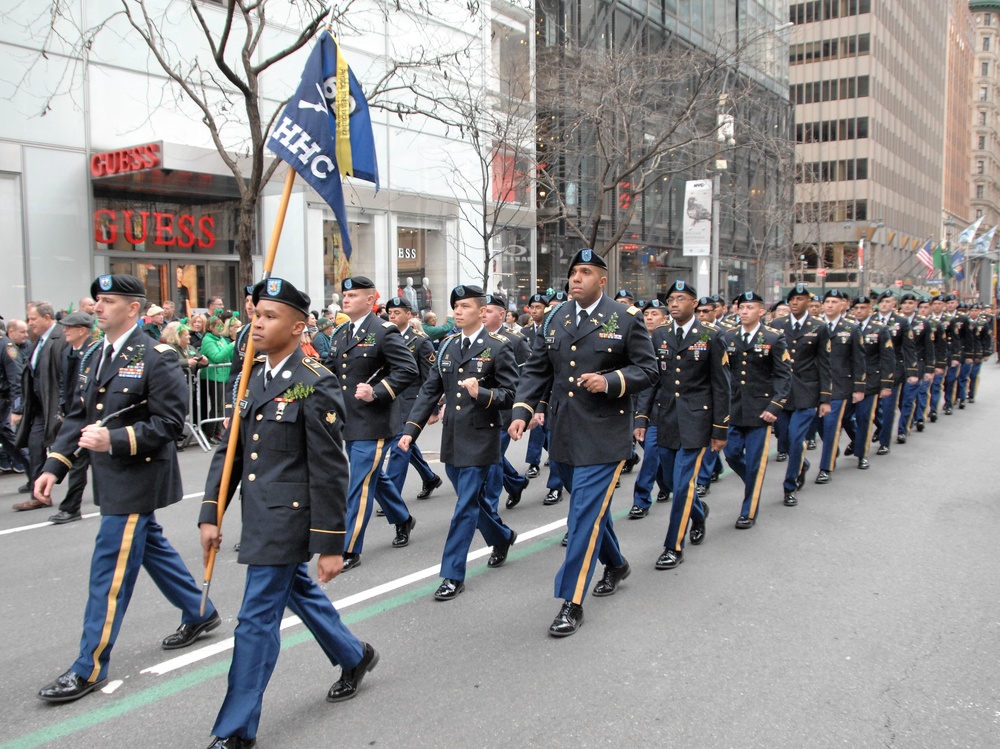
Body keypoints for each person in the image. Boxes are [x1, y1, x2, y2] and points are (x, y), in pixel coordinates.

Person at [199, 278, 377, 749]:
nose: (257, 322)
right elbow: (230, 451)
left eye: (270, 316)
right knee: (293, 590)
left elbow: (329, 468)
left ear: (299, 328)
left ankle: (235, 729)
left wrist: (330, 543)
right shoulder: (249, 376)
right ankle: (354, 654)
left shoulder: (313, 384)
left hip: (288, 519)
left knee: (256, 618)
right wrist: (210, 511)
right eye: (255, 314)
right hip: (257, 517)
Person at [34, 274, 220, 705]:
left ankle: (88, 666)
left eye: (108, 301)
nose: (97, 308)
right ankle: (199, 610)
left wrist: (115, 440)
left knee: (109, 573)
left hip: (137, 476)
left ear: (134, 308)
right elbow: (79, 416)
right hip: (112, 476)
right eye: (97, 301)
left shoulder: (158, 357)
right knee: (150, 546)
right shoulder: (97, 353)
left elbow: (171, 425)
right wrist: (54, 466)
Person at [509, 248, 657, 636]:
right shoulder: (556, 317)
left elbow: (648, 369)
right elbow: (538, 369)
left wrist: (611, 381)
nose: (576, 278)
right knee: (593, 512)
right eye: (573, 272)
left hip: (606, 436)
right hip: (565, 433)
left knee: (581, 518)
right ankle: (617, 563)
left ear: (602, 280)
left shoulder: (625, 318)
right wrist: (522, 412)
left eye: (585, 272)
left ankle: (571, 601)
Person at [400, 285, 519, 600]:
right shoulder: (447, 346)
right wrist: (411, 429)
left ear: (482, 312)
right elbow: (430, 389)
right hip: (452, 438)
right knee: (472, 502)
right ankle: (502, 536)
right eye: (455, 306)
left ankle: (452, 573)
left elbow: (510, 394)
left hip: (481, 436)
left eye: (465, 306)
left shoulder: (498, 347)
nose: (457, 311)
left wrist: (481, 394)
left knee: (465, 504)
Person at [322, 276, 418, 571]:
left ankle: (349, 548)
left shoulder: (383, 331)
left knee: (359, 484)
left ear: (370, 299)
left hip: (374, 422)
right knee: (375, 480)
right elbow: (331, 370)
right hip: (349, 420)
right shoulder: (340, 334)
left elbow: (407, 369)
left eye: (353, 295)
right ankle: (403, 518)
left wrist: (376, 392)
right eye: (344, 295)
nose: (346, 299)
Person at [636, 280, 729, 571]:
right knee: (674, 481)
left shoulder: (711, 336)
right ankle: (698, 513)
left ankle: (673, 546)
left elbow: (722, 386)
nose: (673, 304)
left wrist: (720, 429)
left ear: (694, 303)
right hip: (666, 419)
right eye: (670, 300)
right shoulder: (660, 335)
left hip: (697, 422)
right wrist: (642, 418)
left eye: (680, 299)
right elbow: (652, 379)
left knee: (683, 481)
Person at [721, 291, 791, 528]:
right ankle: (752, 480)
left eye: (749, 307)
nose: (744, 311)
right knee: (731, 454)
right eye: (741, 307)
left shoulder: (773, 337)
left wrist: (775, 405)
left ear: (761, 311)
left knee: (754, 462)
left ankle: (748, 512)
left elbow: (783, 375)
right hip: (733, 407)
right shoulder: (727, 336)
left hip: (761, 410)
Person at [769, 284, 831, 505]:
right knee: (784, 440)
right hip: (782, 393)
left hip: (806, 392)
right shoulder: (777, 325)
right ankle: (802, 464)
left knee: (796, 439)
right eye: (792, 299)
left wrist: (825, 398)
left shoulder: (818, 327)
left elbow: (825, 363)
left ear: (808, 302)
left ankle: (790, 486)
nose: (795, 303)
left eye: (800, 299)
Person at [383, 298, 442, 501]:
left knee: (400, 446)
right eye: (390, 312)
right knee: (406, 443)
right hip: (389, 399)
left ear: (409, 315)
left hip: (411, 401)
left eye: (397, 312)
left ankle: (390, 497)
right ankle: (429, 477)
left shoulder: (420, 341)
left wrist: (433, 408)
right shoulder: (383, 336)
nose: (392, 315)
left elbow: (430, 377)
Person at [12, 301, 69, 505]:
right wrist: (20, 407)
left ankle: (75, 500)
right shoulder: (38, 341)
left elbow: (64, 374)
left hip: (55, 405)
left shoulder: (61, 338)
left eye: (33, 319)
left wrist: (63, 404)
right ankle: (39, 495)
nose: (29, 324)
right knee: (36, 447)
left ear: (47, 318)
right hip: (38, 407)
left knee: (75, 452)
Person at [47, 311, 98, 524]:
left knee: (78, 460)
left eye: (69, 326)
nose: (65, 330)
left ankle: (71, 507)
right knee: (79, 461)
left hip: (90, 417)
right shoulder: (69, 351)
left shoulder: (94, 352)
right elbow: (65, 385)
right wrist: (63, 409)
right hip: (74, 414)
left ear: (82, 330)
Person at [629, 298, 672, 518]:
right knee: (654, 452)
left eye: (654, 314)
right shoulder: (636, 338)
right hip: (637, 402)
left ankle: (641, 499)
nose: (649, 318)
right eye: (646, 314)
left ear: (665, 317)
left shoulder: (670, 339)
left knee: (654, 452)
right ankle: (666, 485)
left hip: (661, 406)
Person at [843, 296, 894, 470]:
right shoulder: (847, 328)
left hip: (870, 382)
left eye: (863, 308)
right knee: (844, 417)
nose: (858, 311)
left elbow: (887, 358)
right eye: (856, 308)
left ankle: (862, 455)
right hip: (848, 380)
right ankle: (857, 440)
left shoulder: (880, 329)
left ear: (870, 310)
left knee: (865, 418)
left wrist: (886, 384)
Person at [200, 315, 234, 444]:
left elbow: (228, 356)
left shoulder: (220, 339)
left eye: (221, 326)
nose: (220, 328)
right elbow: (218, 357)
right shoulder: (208, 340)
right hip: (213, 377)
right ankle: (210, 433)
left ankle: (218, 432)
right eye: (217, 326)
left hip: (223, 375)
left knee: (222, 406)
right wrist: (231, 346)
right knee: (216, 406)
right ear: (210, 327)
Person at [0, 322, 28, 475]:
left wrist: (17, 408)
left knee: (11, 440)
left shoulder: (7, 347)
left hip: (2, 401)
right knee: (10, 440)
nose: (26, 335)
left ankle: (33, 470)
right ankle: (32, 470)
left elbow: (16, 380)